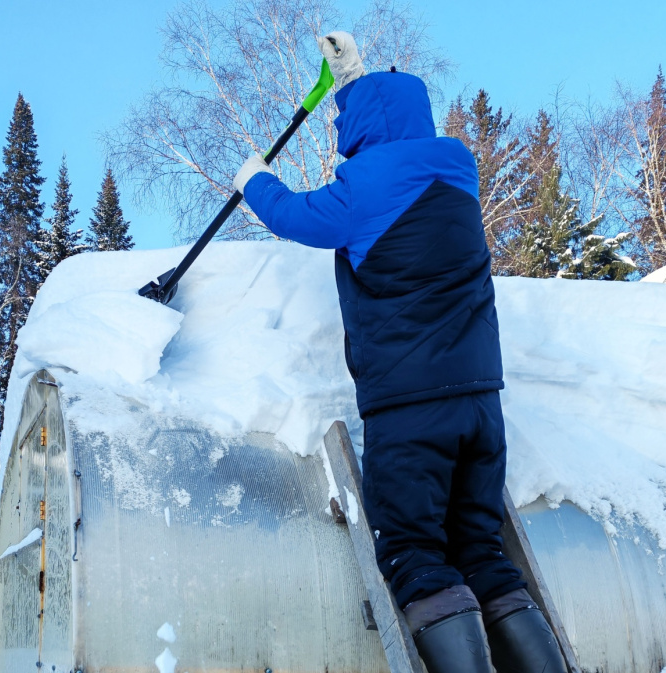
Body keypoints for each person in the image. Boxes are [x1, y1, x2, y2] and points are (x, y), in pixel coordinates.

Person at [232, 31, 567, 673]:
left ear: (357, 126)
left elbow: (295, 217)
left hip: (410, 412)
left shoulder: (362, 190)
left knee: (414, 554)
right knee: (480, 550)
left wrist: (253, 179)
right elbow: (390, 127)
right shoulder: (458, 171)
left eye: (341, 119)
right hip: (480, 408)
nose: (337, 129)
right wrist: (353, 78)